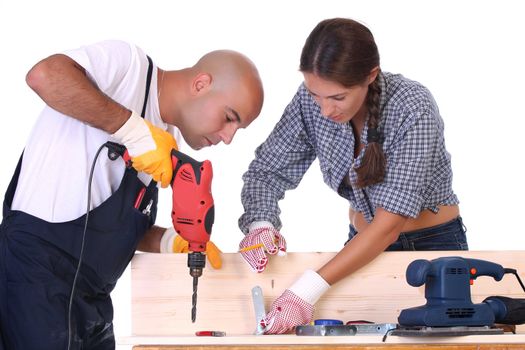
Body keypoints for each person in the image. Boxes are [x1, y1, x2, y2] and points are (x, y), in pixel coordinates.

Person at [0, 40, 263, 349]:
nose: (228, 137)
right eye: (230, 117)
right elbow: (45, 76)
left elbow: (112, 226)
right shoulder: (130, 68)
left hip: (93, 302)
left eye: (238, 129)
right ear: (201, 84)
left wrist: (169, 241)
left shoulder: (167, 140)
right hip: (36, 279)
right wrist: (132, 131)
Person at [238, 18, 467, 334]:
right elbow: (267, 172)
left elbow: (388, 226)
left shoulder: (413, 106)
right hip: (359, 247)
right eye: (315, 94)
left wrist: (304, 291)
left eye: (338, 98)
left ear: (371, 75)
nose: (324, 111)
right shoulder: (311, 99)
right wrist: (260, 224)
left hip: (429, 246)